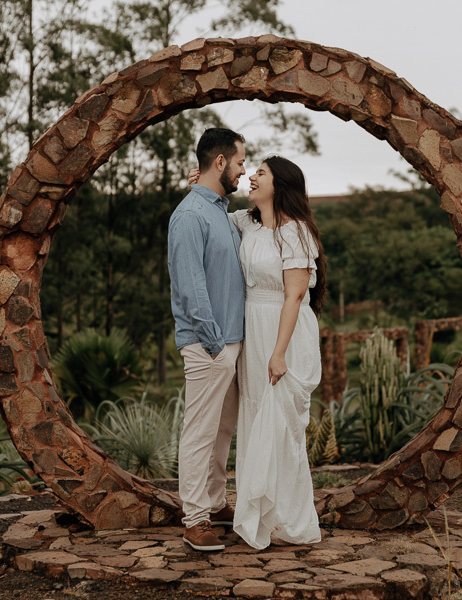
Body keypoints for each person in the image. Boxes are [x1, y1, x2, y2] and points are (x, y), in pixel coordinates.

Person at [188, 155, 326, 550]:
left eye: (260, 173)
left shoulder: (296, 232)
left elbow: (296, 295)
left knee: (281, 423)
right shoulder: (246, 223)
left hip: (283, 331)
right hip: (253, 327)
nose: (251, 177)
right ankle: (259, 517)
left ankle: (289, 520)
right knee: (254, 419)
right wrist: (199, 184)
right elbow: (212, 218)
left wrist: (279, 353)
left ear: (279, 185)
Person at [168, 128, 247, 552]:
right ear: (220, 162)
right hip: (207, 344)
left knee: (221, 432)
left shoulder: (218, 209)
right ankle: (194, 519)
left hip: (230, 343)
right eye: (239, 163)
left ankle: (215, 504)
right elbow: (190, 286)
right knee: (200, 432)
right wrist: (215, 343)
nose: (242, 170)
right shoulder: (189, 215)